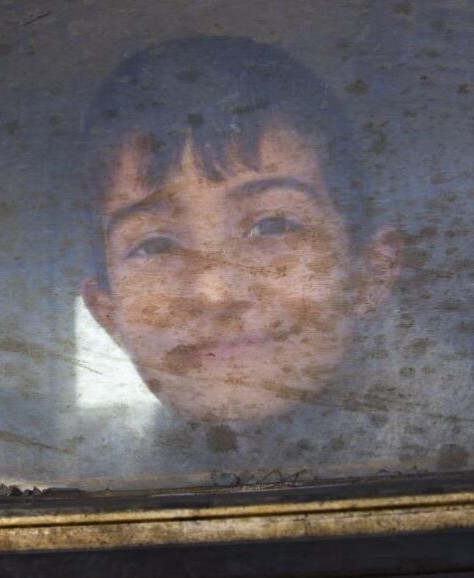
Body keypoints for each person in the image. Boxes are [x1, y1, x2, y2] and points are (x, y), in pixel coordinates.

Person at [77, 36, 409, 477]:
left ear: (370, 272)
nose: (214, 291)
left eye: (272, 225)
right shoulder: (107, 484)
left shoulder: (449, 445)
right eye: (154, 245)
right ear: (107, 312)